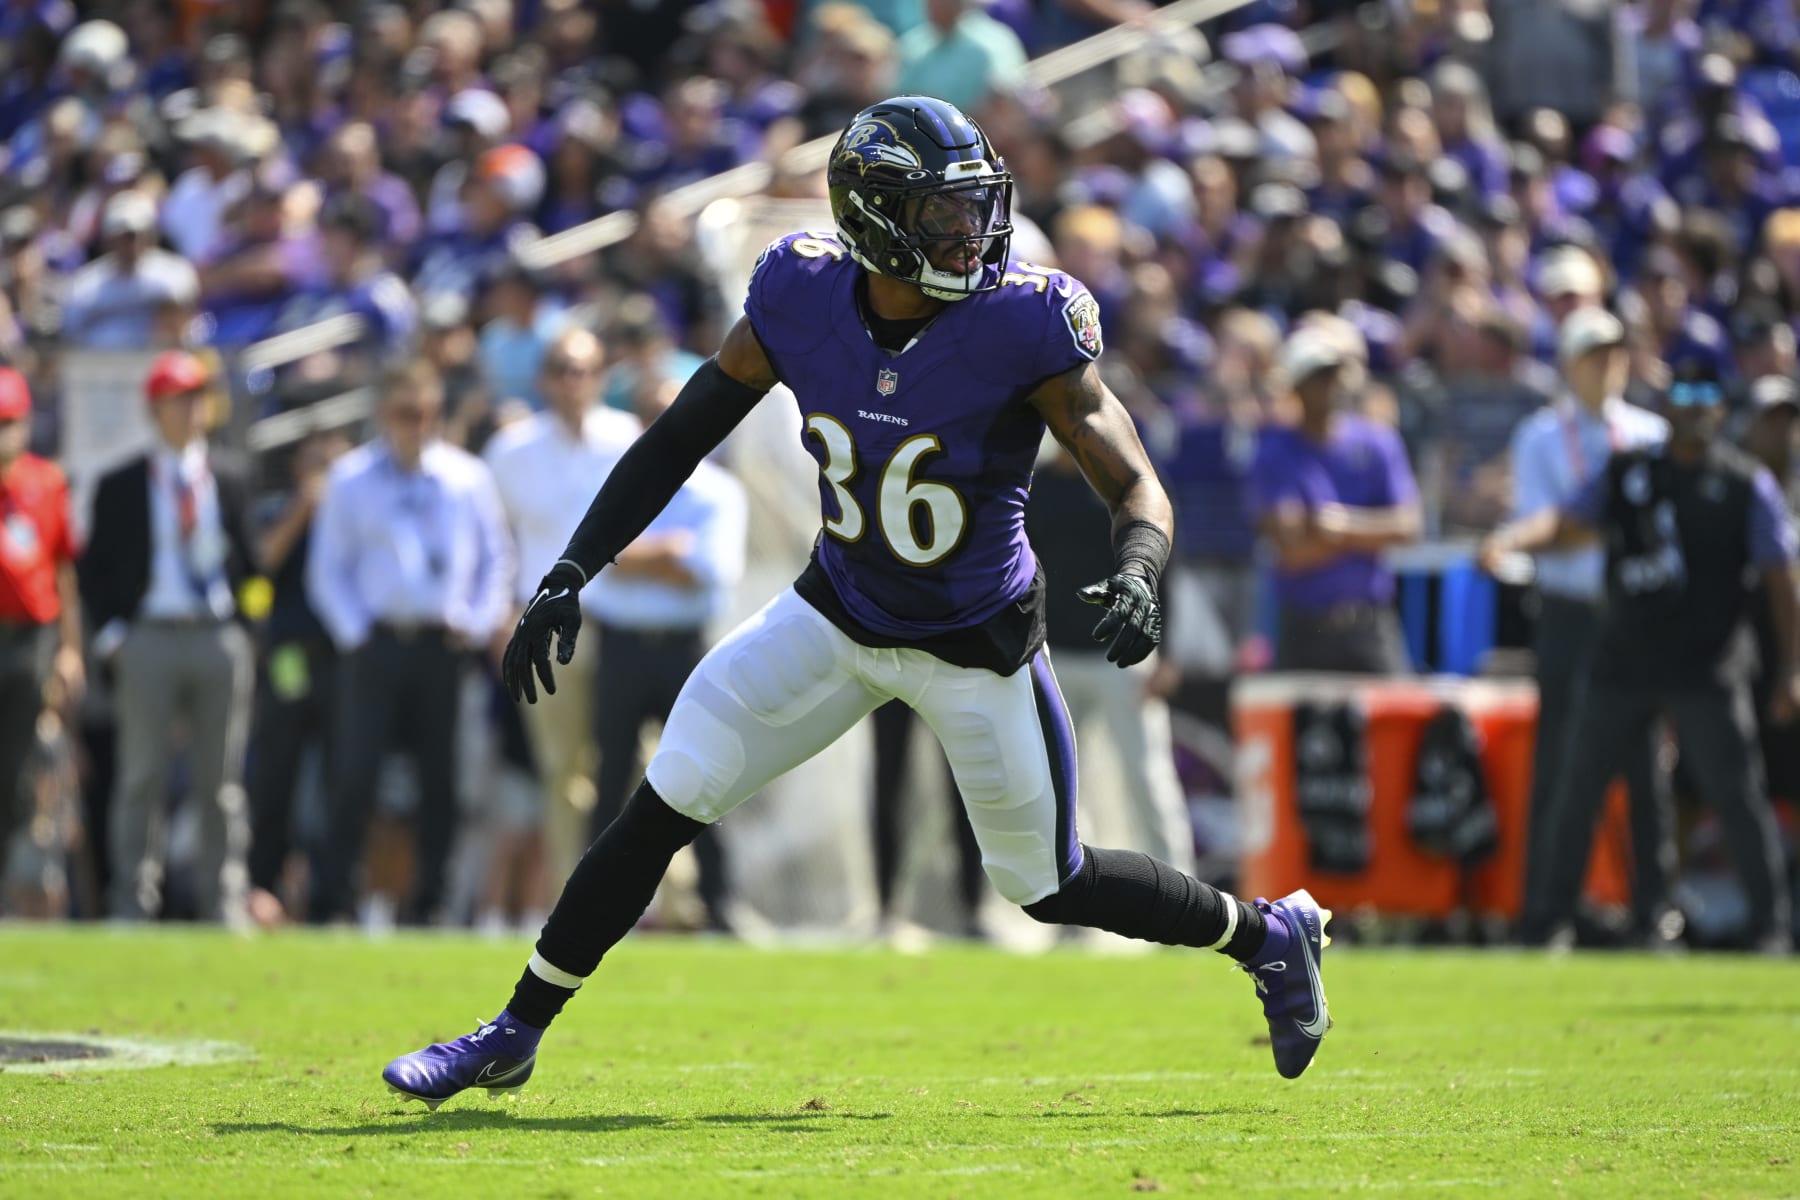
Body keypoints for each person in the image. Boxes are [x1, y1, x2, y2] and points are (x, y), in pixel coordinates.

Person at [382, 96, 1333, 1109]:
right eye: (943, 217)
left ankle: (1266, 933)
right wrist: (573, 566)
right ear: (877, 220)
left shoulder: (1022, 321)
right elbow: (679, 435)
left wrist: (1141, 567)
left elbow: (1134, 479)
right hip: (835, 615)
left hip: (977, 643)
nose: (973, 236)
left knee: (1046, 882)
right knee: (668, 795)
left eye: (977, 210)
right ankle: (514, 1030)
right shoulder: (801, 295)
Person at [1482, 367, 1797, 953]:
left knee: (1736, 795)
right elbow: (1569, 521)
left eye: (1708, 398)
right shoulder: (1631, 470)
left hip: (1707, 665)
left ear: (1722, 412)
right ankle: (1548, 923)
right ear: (1667, 406)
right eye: (1684, 396)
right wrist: (1511, 540)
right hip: (1624, 660)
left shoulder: (1742, 483)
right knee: (1579, 791)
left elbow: (1782, 578)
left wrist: (1791, 669)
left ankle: (1770, 927)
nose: (1696, 409)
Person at [305, 361, 514, 926]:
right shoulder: (351, 478)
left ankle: (434, 901)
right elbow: (328, 570)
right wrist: (356, 635)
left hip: (441, 645)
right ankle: (333, 899)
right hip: (375, 643)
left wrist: (473, 622)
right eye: (405, 414)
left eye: (427, 414)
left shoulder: (466, 477)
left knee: (441, 779)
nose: (416, 425)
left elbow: (495, 559)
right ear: (383, 415)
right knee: (355, 775)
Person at [1503, 308, 1674, 944]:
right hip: (1572, 614)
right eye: (1592, 355)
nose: (1605, 366)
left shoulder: (1652, 433)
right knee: (1561, 766)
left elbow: (1566, 527)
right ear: (1570, 365)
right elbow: (1550, 533)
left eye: (1613, 354)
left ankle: (1655, 912)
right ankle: (1546, 912)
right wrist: (1602, 518)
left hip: (1636, 616)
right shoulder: (1541, 436)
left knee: (1645, 769)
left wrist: (1578, 523)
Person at [79, 351, 258, 922]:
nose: (193, 408)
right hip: (150, 636)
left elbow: (251, 568)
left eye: (198, 396)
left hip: (215, 634)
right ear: (156, 407)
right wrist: (112, 637)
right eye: (181, 398)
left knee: (221, 784)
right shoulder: (122, 482)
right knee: (141, 777)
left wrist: (246, 630)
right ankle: (132, 903)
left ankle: (222, 903)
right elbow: (94, 571)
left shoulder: (229, 476)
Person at [580, 372, 748, 935]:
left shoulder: (719, 491)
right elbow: (599, 570)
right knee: (608, 783)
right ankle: (592, 914)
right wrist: (665, 555)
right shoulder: (618, 482)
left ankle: (719, 909)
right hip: (622, 649)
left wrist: (633, 556)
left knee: (706, 779)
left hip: (684, 652)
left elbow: (710, 573)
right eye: (650, 410)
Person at [482, 327, 640, 892]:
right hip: (548, 627)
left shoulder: (627, 436)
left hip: (624, 623)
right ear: (545, 379)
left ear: (600, 377)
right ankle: (576, 894)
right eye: (564, 370)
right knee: (562, 767)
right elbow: (492, 540)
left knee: (637, 765)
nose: (575, 382)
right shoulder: (512, 450)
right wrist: (499, 614)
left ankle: (650, 899)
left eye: (585, 369)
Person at [1249, 327, 1421, 674]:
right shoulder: (1274, 452)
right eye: (1317, 376)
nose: (1329, 385)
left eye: (1333, 375)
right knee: (1300, 727)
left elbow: (1407, 527)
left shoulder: (1377, 443)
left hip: (1371, 623)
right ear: (1296, 386)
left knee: (1389, 723)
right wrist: (1369, 535)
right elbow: (1292, 551)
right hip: (1303, 626)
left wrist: (1336, 527)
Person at [243, 429, 351, 928]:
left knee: (340, 775)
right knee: (277, 771)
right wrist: (305, 508)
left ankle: (333, 895)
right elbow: (263, 560)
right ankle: (262, 884)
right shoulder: (277, 508)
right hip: (289, 651)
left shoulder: (357, 511)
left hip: (342, 654)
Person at [0, 367, 83, 895]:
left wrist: (70, 650)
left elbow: (61, 570)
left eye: (9, 422)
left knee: (16, 772)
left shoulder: (46, 482)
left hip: (29, 642)